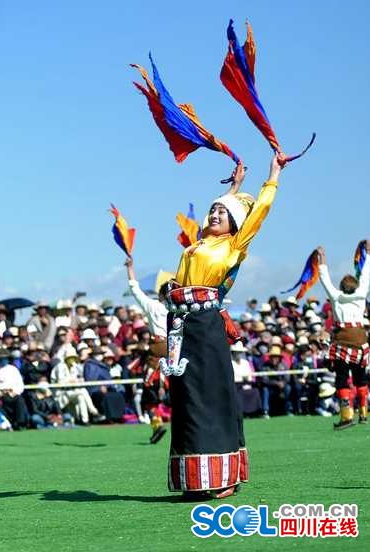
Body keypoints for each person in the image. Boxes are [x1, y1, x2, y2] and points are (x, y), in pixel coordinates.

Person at [164, 156, 285, 499]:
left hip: (206, 324)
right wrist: (233, 189)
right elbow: (223, 213)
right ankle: (195, 478)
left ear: (234, 223)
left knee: (211, 396)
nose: (214, 215)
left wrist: (273, 174)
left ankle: (224, 478)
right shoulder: (196, 247)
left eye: (222, 213)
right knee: (187, 399)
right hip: (180, 324)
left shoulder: (234, 246)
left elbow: (256, 213)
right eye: (212, 211)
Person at [317, 241, 370, 429]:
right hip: (360, 340)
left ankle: (346, 416)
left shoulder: (335, 296)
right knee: (361, 378)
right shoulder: (362, 293)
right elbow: (365, 274)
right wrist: (368, 254)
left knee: (342, 378)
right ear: (356, 287)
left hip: (342, 341)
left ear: (341, 286)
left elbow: (324, 279)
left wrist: (321, 259)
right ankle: (364, 414)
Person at [125, 257, 169, 443]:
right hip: (178, 351)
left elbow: (135, 290)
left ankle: (157, 424)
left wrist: (130, 269)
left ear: (160, 295)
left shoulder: (154, 306)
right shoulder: (182, 310)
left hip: (157, 351)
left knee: (148, 395)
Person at [0, 348, 29, 429]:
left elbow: (20, 384)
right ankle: (7, 424)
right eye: (0, 359)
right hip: (0, 396)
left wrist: (14, 392)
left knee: (20, 401)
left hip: (13, 394)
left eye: (4, 358)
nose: (2, 360)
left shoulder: (13, 369)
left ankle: (20, 423)